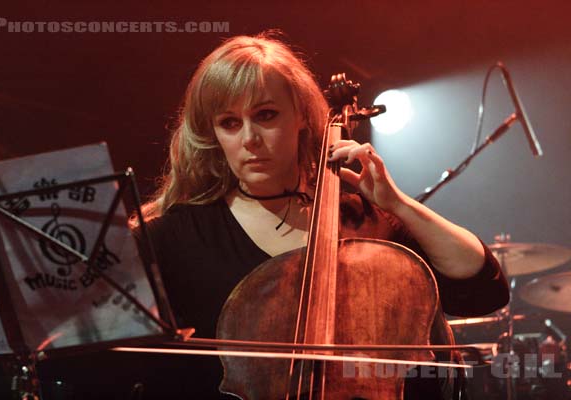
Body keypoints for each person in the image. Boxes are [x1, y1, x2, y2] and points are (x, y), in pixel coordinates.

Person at [138, 32, 509, 399]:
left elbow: (483, 292)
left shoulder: (365, 223)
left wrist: (397, 204)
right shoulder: (174, 236)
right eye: (229, 123)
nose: (249, 138)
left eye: (265, 115)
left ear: (300, 115)